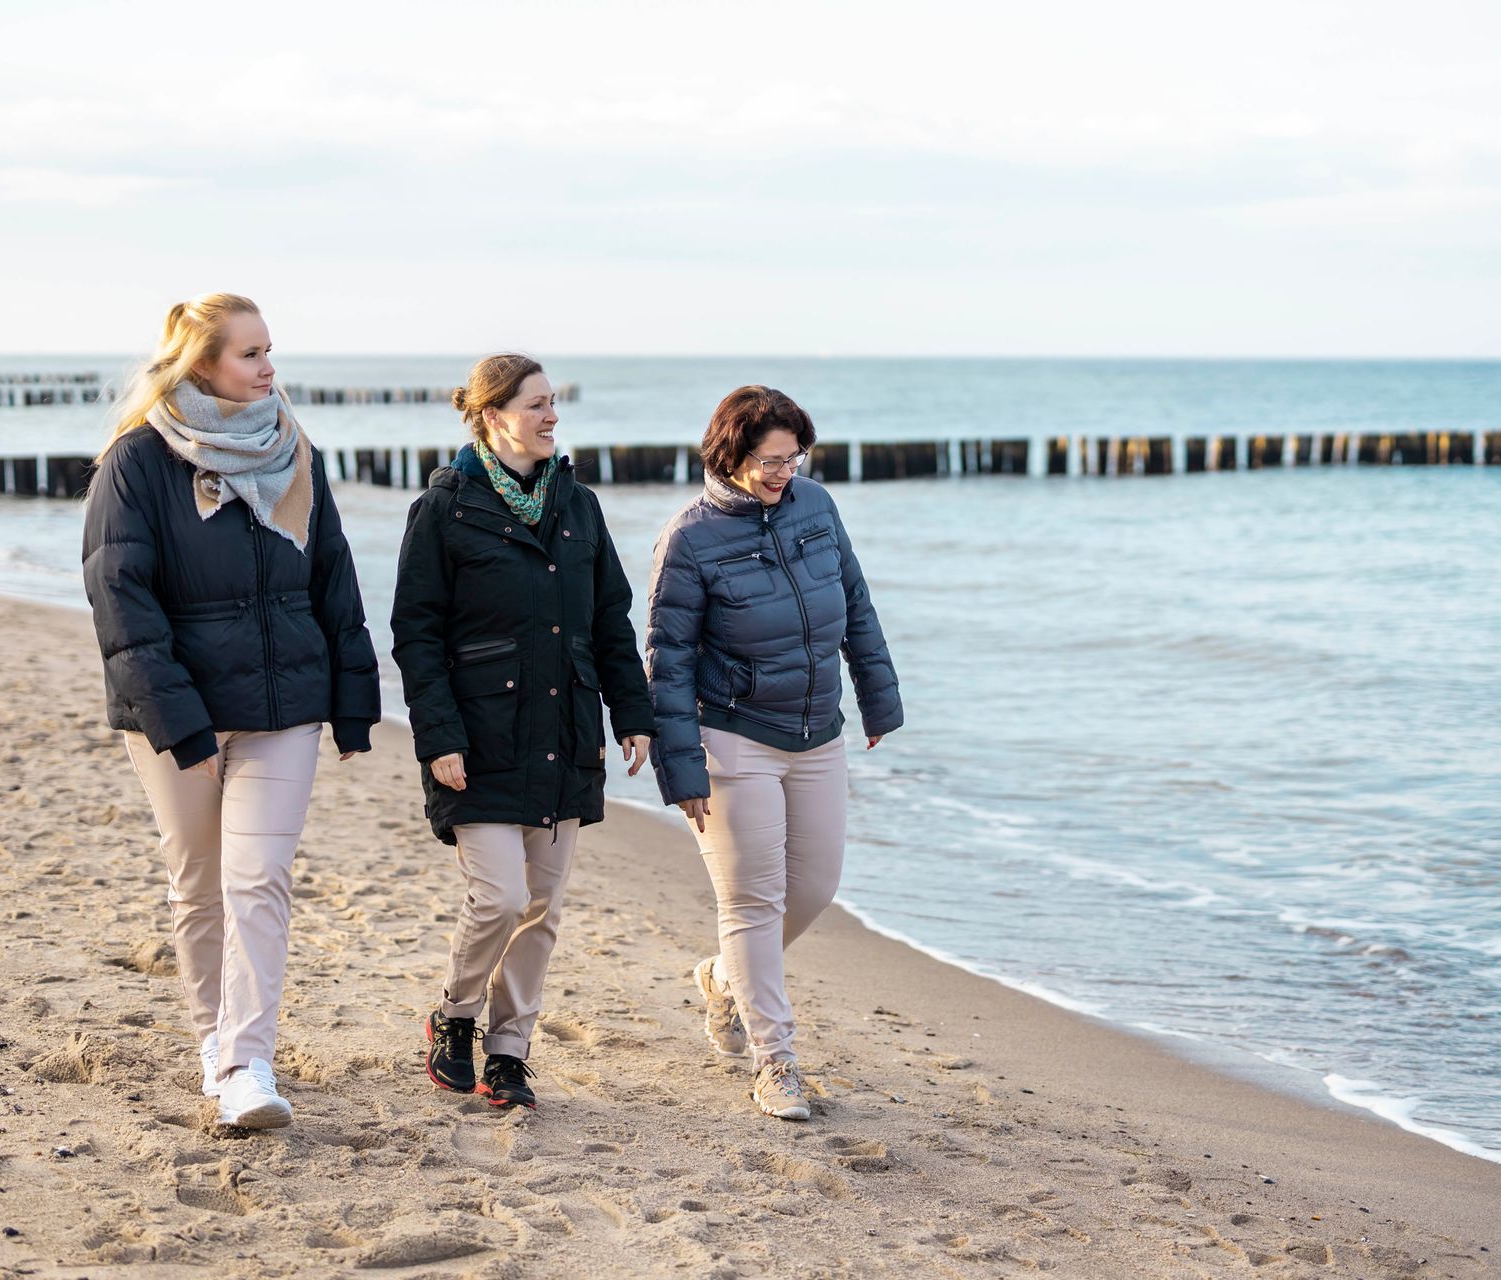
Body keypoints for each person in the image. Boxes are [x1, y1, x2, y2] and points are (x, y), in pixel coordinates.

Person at [82, 293, 379, 1129]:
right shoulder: (136, 464)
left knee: (260, 881)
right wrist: (177, 719)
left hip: (284, 702)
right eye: (251, 354)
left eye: (270, 351)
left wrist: (353, 697)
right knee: (200, 883)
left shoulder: (293, 450)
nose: (269, 368)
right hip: (181, 712)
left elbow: (333, 577)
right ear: (202, 363)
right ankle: (211, 1039)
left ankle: (248, 1062)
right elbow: (119, 596)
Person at [391, 353, 654, 1110]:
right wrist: (437, 735)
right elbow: (417, 633)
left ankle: (509, 1048)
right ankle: (456, 1014)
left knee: (542, 909)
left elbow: (609, 621)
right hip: (478, 737)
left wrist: (631, 714)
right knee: (500, 899)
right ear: (493, 414)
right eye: (537, 404)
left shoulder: (580, 507)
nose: (551, 417)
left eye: (552, 404)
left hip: (565, 731)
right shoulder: (445, 508)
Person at [645, 385, 902, 1121]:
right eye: (767, 459)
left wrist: (878, 697)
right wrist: (681, 766)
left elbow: (853, 600)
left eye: (793, 457)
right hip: (732, 735)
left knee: (816, 887)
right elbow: (667, 663)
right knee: (753, 900)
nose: (782, 471)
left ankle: (726, 978)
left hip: (817, 731)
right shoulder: (689, 539)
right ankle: (775, 1061)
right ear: (730, 455)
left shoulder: (816, 507)